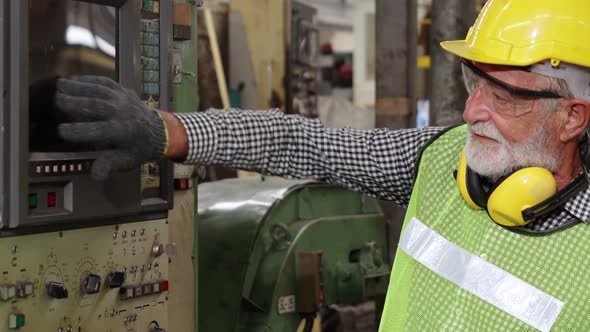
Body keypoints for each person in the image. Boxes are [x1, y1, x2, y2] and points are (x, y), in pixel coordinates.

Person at [50, 0, 590, 330]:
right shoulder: (441, 159)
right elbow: (301, 142)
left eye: (506, 96)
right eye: (474, 84)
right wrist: (167, 130)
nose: (473, 111)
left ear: (571, 117)